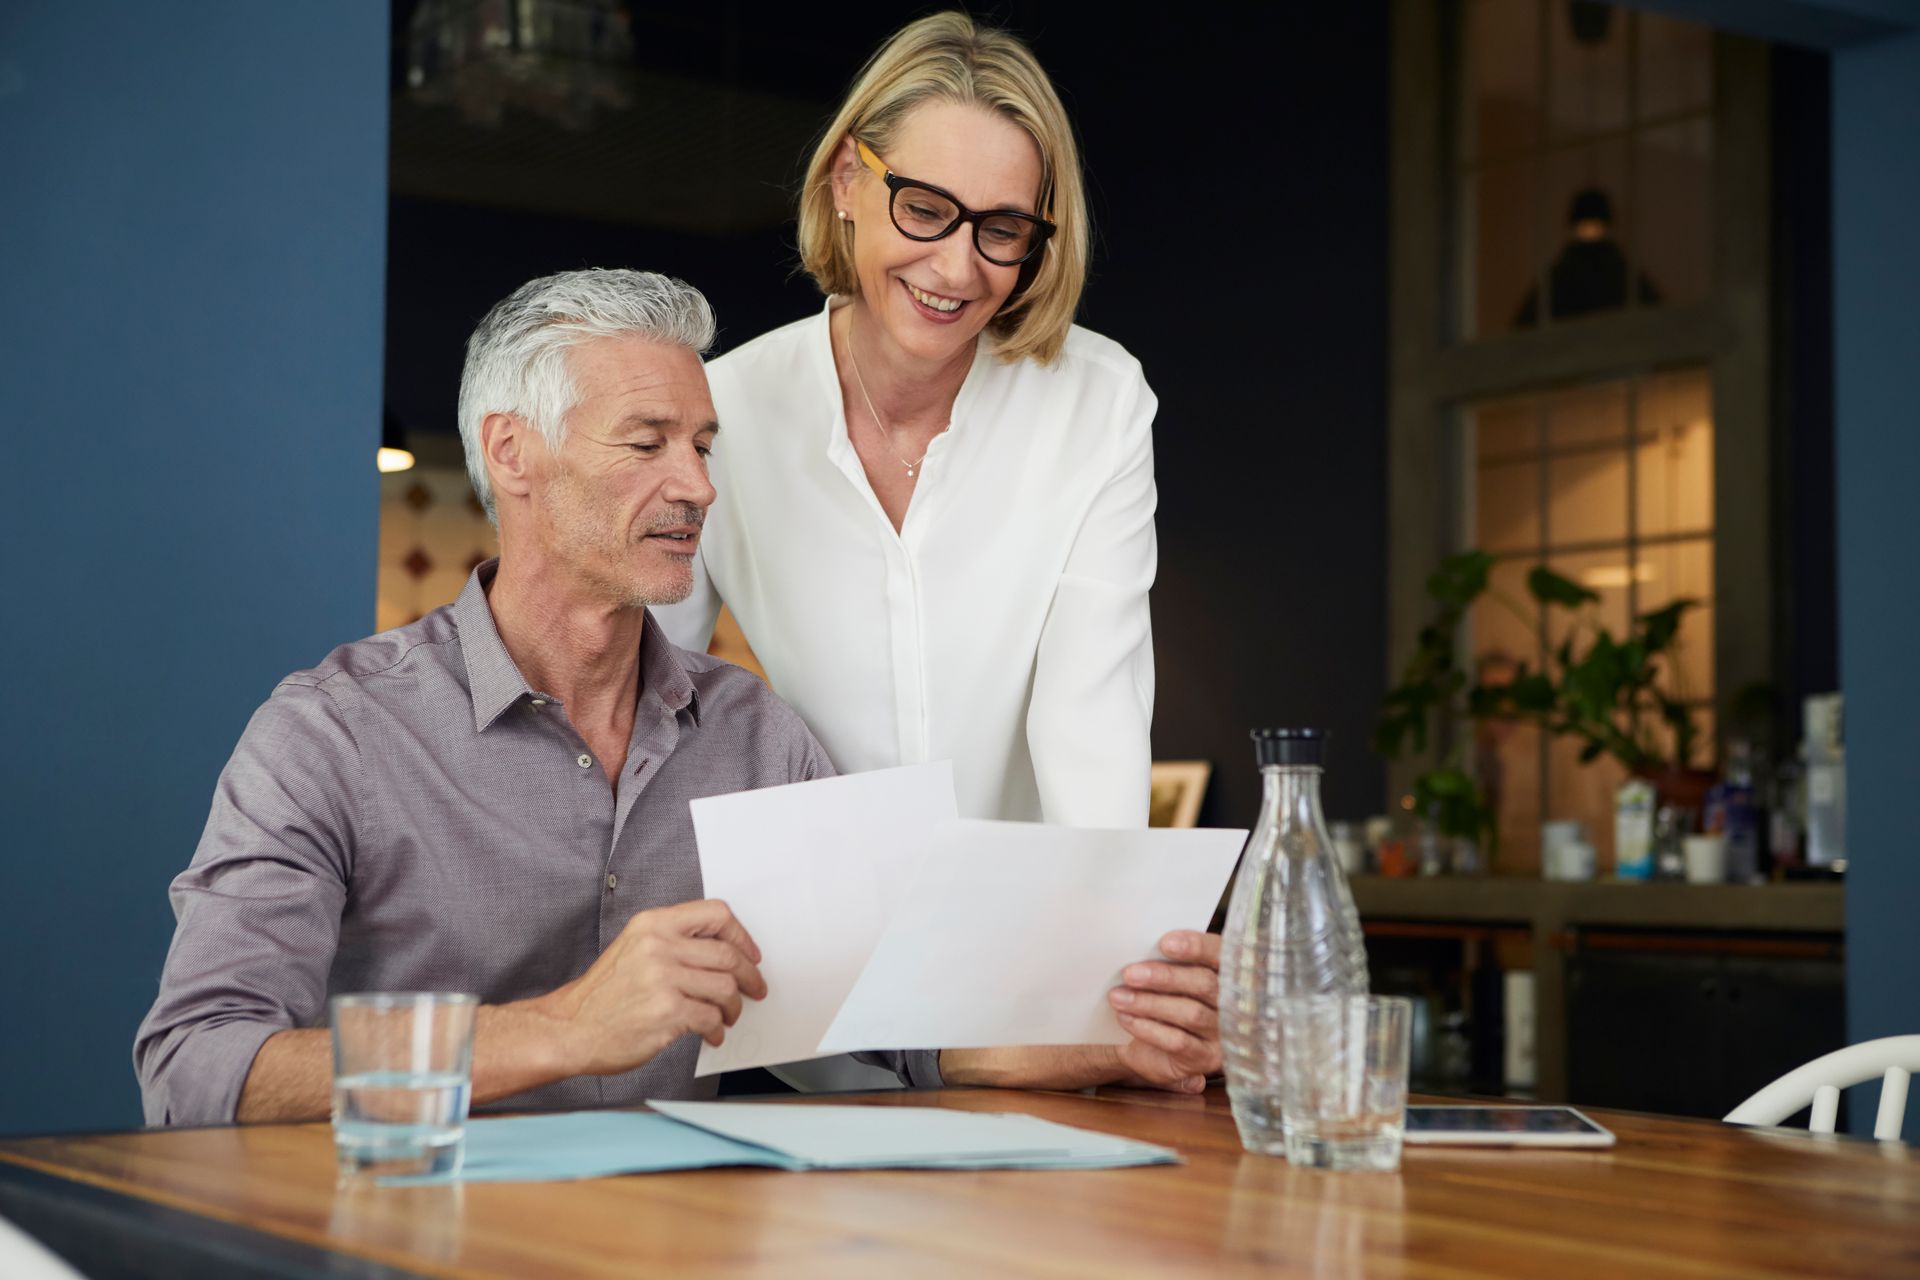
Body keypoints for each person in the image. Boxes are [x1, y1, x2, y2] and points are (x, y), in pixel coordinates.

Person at [134, 269, 1222, 1127]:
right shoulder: (330, 733)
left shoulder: (757, 737)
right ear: (513, 453)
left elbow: (902, 1024)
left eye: (703, 446)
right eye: (647, 443)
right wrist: (563, 1028)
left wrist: (1105, 1041)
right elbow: (197, 1066)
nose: (698, 484)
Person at [656, 12, 1155, 831]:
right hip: (817, 903)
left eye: (1002, 230)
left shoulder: (1097, 402)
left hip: (1027, 912)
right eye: (925, 209)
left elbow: (1090, 719)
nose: (958, 269)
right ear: (849, 180)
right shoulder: (725, 410)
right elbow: (649, 687)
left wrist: (1107, 930)